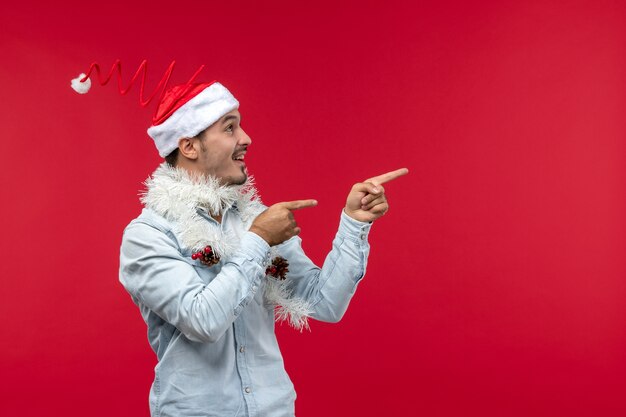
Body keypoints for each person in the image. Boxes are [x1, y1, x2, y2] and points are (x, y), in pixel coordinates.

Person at [112, 78, 407, 416]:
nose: (246, 138)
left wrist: (354, 222)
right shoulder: (147, 236)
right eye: (230, 128)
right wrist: (258, 240)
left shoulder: (254, 218)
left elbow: (324, 303)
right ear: (189, 147)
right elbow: (202, 320)